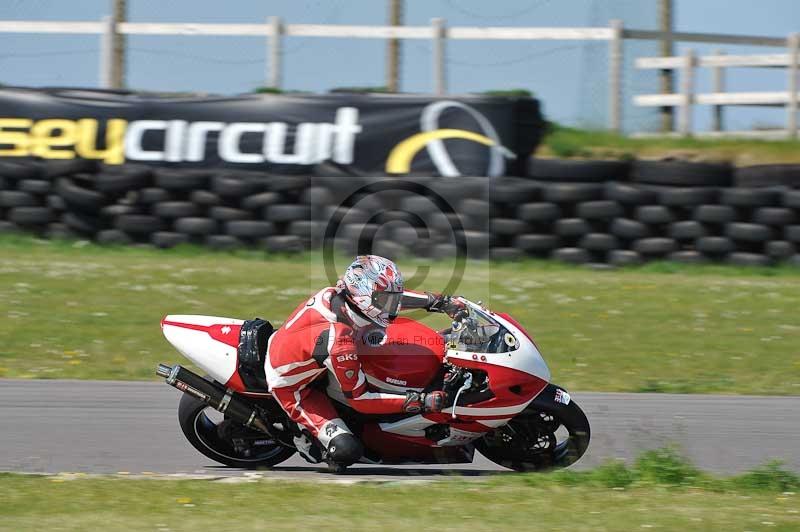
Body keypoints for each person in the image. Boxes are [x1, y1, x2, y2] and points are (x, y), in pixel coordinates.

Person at [265, 254, 464, 470]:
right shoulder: (339, 341)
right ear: (363, 298)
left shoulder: (339, 295)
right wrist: (419, 401)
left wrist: (439, 301)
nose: (393, 306)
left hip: (308, 355)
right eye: (386, 300)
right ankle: (302, 437)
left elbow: (389, 298)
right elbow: (360, 400)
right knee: (347, 450)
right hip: (293, 387)